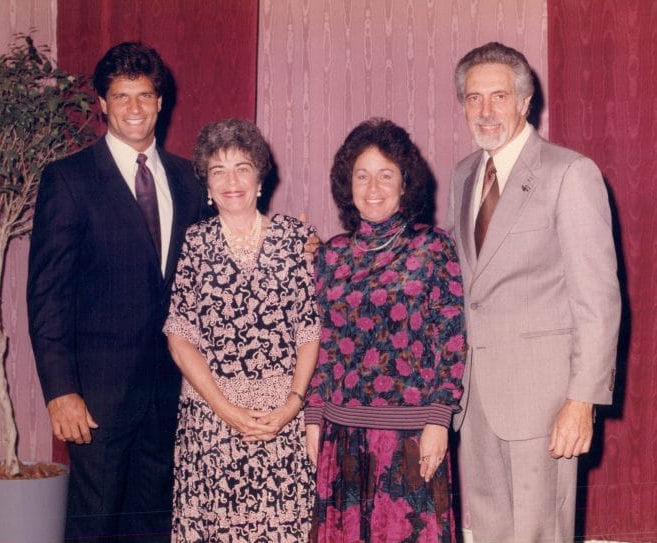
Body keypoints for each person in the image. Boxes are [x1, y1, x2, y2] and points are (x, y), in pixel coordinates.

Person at [27, 42, 204, 542]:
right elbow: (47, 296)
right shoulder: (69, 180)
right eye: (121, 96)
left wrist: (295, 244)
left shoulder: (190, 181)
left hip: (173, 393)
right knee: (94, 526)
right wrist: (60, 391)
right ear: (102, 104)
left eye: (144, 96)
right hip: (97, 399)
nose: (133, 108)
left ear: (160, 102)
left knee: (154, 527)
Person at [446, 42, 620, 542]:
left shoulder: (570, 173)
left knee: (541, 534)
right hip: (476, 399)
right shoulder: (463, 175)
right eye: (474, 98)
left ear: (525, 101)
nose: (485, 111)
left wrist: (581, 400)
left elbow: (598, 300)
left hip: (544, 403)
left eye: (499, 96)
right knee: (491, 533)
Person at [305, 118, 467, 542]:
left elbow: (451, 340)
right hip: (342, 437)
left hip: (410, 436)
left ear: (404, 184)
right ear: (348, 183)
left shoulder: (433, 247)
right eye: (362, 175)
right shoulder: (331, 256)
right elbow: (323, 347)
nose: (372, 188)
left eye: (385, 175)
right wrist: (313, 417)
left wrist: (439, 420)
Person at [163, 118, 320, 542]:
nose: (231, 180)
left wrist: (292, 405)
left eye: (242, 168)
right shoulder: (195, 243)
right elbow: (180, 337)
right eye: (219, 171)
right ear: (208, 187)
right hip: (212, 424)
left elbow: (309, 332)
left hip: (280, 423)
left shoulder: (295, 238)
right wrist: (226, 410)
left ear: (260, 179)